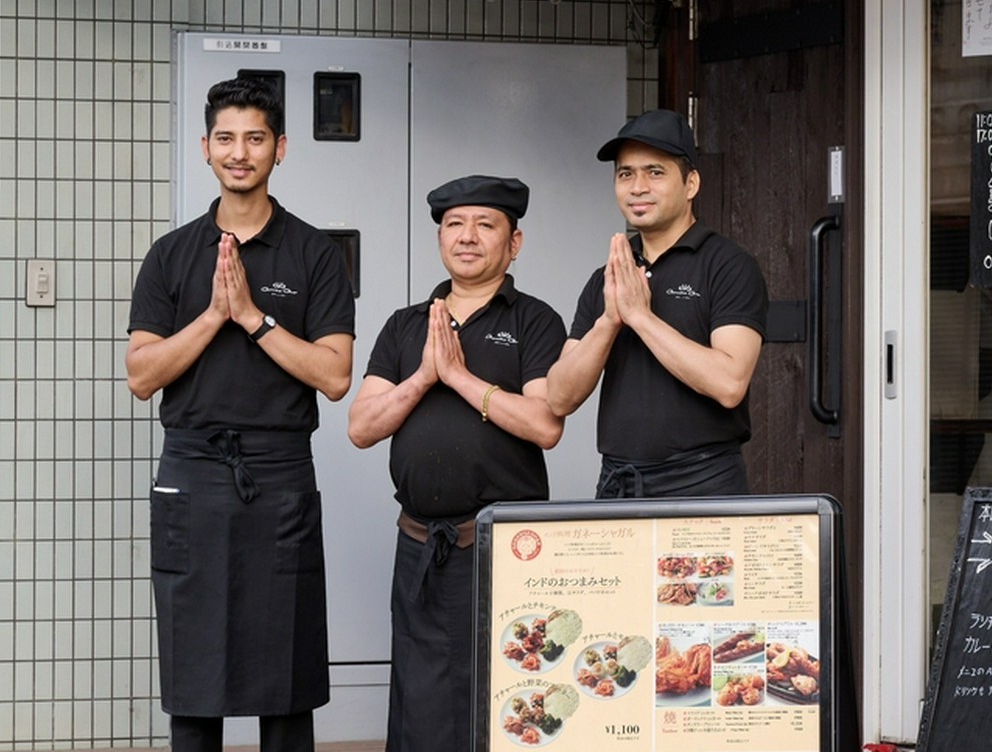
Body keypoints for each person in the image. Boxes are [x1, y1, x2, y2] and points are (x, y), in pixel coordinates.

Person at [125, 77, 355, 752]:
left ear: (279, 148)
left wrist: (253, 318)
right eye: (226, 137)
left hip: (278, 476)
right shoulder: (171, 255)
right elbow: (141, 376)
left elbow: (335, 374)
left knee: (285, 674)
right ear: (205, 147)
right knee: (194, 674)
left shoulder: (314, 254)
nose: (240, 151)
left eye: (255, 137)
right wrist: (212, 316)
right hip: (192, 471)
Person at [347, 175, 565, 752]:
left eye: (485, 224)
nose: (467, 237)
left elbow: (546, 425)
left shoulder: (534, 321)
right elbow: (361, 428)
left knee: (507, 692)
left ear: (514, 242)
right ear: (441, 237)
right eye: (454, 225)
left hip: (505, 549)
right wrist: (423, 375)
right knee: (419, 696)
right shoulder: (405, 325)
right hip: (420, 543)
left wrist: (462, 378)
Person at [547, 108, 768, 498]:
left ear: (691, 183)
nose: (637, 187)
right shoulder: (609, 277)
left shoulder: (728, 265)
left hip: (703, 482)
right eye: (625, 174)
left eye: (655, 172)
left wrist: (640, 317)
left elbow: (730, 383)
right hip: (620, 483)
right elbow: (559, 396)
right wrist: (610, 321)